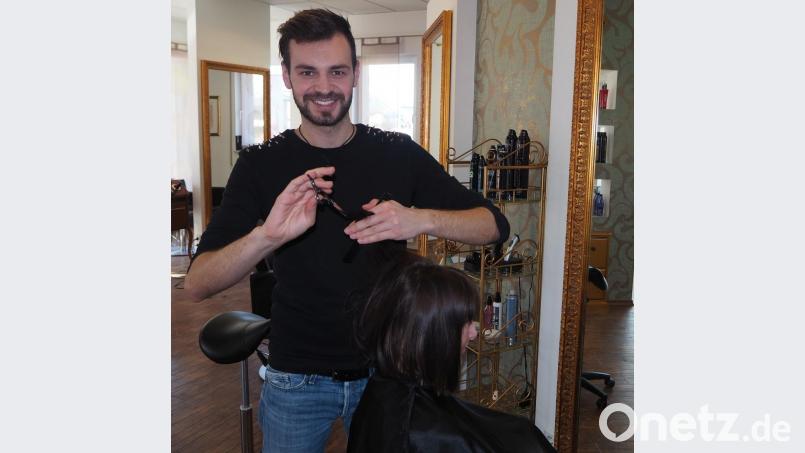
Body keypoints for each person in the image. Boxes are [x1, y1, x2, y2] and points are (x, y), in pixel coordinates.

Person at [184, 8, 510, 453]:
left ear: (356, 73)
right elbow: (198, 284)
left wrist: (419, 219)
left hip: (389, 372)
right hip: (295, 377)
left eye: (337, 71)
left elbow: (494, 225)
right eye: (307, 72)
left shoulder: (398, 153)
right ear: (286, 76)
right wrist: (269, 235)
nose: (323, 87)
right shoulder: (260, 165)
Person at [348, 254, 555, 453]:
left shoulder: (380, 390)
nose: (474, 333)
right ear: (435, 334)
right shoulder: (428, 433)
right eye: (465, 324)